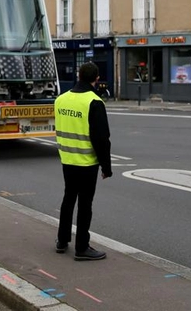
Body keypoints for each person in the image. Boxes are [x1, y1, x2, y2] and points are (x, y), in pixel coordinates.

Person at [55, 62, 112, 261]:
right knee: (85, 204)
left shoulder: (61, 100)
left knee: (68, 199)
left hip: (67, 159)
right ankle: (82, 247)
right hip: (87, 162)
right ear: (96, 79)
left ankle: (62, 240)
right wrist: (106, 166)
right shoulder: (94, 102)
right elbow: (101, 139)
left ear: (79, 75)